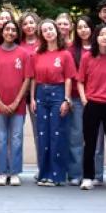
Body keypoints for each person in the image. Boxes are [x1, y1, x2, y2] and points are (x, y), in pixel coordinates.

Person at [78, 23, 106, 191]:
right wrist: (84, 101)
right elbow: (80, 81)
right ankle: (88, 177)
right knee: (89, 143)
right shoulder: (87, 57)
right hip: (92, 104)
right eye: (102, 34)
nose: (105, 37)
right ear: (96, 37)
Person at [0, 19, 31, 186]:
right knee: (0, 138)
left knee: (17, 137)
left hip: (17, 104)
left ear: (17, 33)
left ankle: (14, 172)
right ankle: (1, 171)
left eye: (13, 30)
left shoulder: (24, 53)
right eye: (7, 29)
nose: (10, 33)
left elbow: (27, 79)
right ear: (2, 31)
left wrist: (17, 101)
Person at [31, 19, 75, 187]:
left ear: (56, 30)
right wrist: (32, 98)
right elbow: (33, 78)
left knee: (57, 134)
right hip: (41, 94)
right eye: (44, 30)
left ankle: (56, 175)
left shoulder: (65, 54)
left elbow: (69, 78)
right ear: (41, 35)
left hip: (58, 93)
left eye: (50, 29)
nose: (48, 32)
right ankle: (44, 173)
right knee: (42, 134)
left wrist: (66, 99)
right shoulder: (36, 54)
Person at [67, 16, 98, 185]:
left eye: (86, 27)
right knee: (76, 136)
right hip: (77, 98)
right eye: (79, 27)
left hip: (98, 98)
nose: (83, 30)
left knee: (95, 138)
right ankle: (75, 174)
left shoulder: (99, 48)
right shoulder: (71, 50)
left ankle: (96, 174)